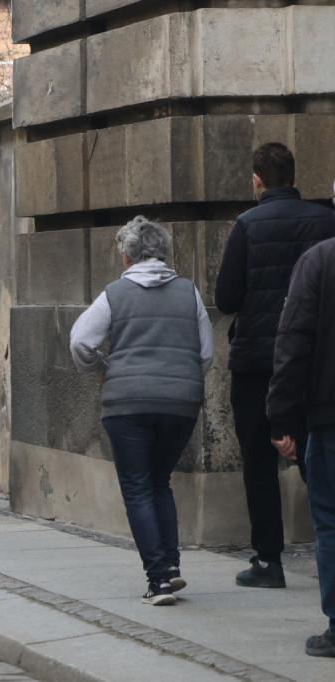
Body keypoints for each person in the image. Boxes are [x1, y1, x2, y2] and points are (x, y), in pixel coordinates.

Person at [70, 216, 213, 606]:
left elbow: (80, 341)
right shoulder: (189, 292)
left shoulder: (115, 293)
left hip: (127, 402)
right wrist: (181, 381)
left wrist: (102, 369)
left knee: (136, 486)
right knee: (159, 480)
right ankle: (171, 565)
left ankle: (159, 580)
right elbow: (205, 354)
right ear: (163, 253)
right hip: (180, 404)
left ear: (126, 256)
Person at [215, 142, 335, 588]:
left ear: (256, 180)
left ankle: (269, 560)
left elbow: (226, 298)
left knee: (259, 461)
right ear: (295, 177)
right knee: (314, 454)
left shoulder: (246, 225)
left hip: (257, 361)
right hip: (314, 361)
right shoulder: (326, 221)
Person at [266, 233, 335, 657]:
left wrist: (280, 417)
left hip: (330, 416)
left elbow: (292, 341)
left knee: (330, 521)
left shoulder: (320, 260)